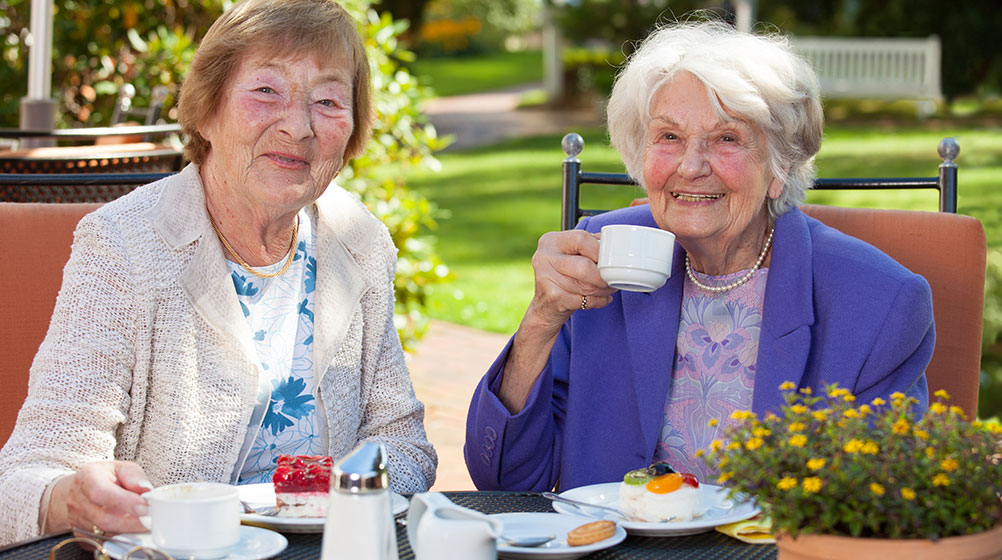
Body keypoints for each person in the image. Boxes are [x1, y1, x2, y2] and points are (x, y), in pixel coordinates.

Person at [0, 0, 436, 545]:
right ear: (207, 111)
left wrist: (330, 497)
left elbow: (404, 445)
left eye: (327, 101)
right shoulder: (123, 247)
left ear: (348, 135)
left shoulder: (359, 242)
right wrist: (71, 497)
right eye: (266, 91)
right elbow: (23, 477)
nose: (298, 127)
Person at [464, 19, 933, 492]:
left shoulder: (879, 302)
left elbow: (879, 505)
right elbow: (505, 482)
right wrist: (542, 318)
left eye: (726, 138)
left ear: (780, 165)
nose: (690, 166)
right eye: (668, 137)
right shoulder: (601, 259)